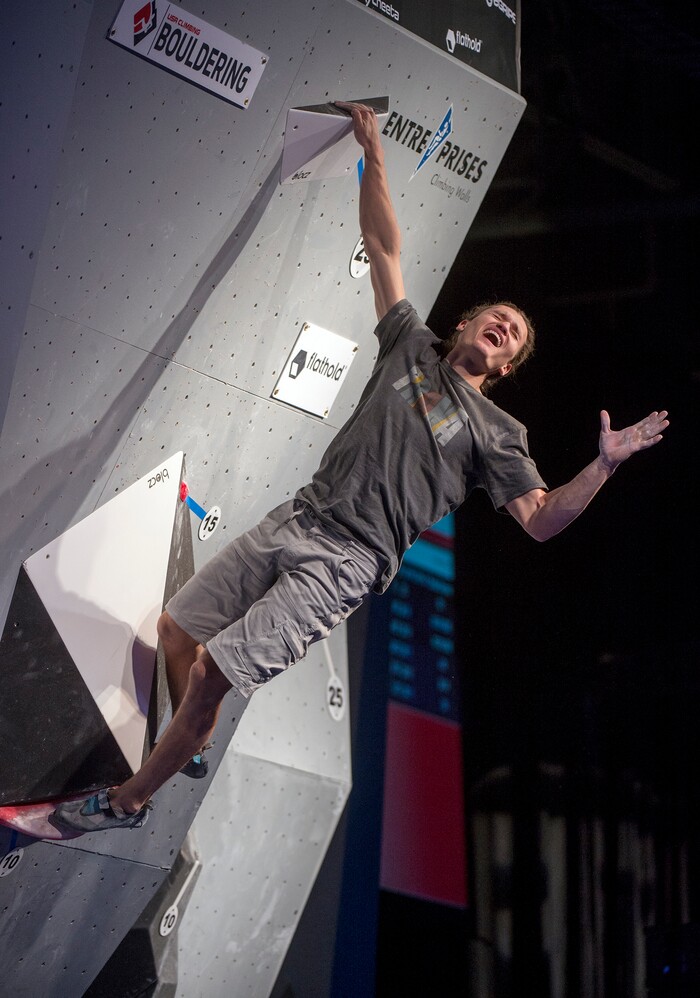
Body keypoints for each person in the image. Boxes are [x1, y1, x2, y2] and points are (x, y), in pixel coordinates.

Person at [52, 103, 669, 833]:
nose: (504, 328)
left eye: (515, 337)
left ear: (504, 364)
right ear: (467, 325)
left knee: (215, 672)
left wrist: (602, 467)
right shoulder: (409, 343)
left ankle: (126, 802)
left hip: (347, 560)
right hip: (301, 513)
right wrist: (373, 151)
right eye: (496, 317)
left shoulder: (499, 433)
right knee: (178, 632)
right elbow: (382, 245)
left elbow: (539, 522)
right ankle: (190, 740)